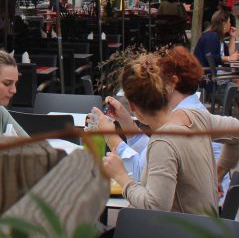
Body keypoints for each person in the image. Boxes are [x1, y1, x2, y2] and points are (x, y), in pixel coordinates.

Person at [100, 53, 239, 214]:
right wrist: (218, 175)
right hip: (207, 227)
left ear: (132, 106)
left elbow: (154, 206)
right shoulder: (194, 116)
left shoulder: (162, 142)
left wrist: (122, 177)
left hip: (181, 236)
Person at [89, 46, 219, 182]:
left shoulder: (181, 120)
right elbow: (153, 155)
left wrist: (110, 137)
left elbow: (144, 174)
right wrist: (127, 123)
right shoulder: (188, 111)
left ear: (172, 82)